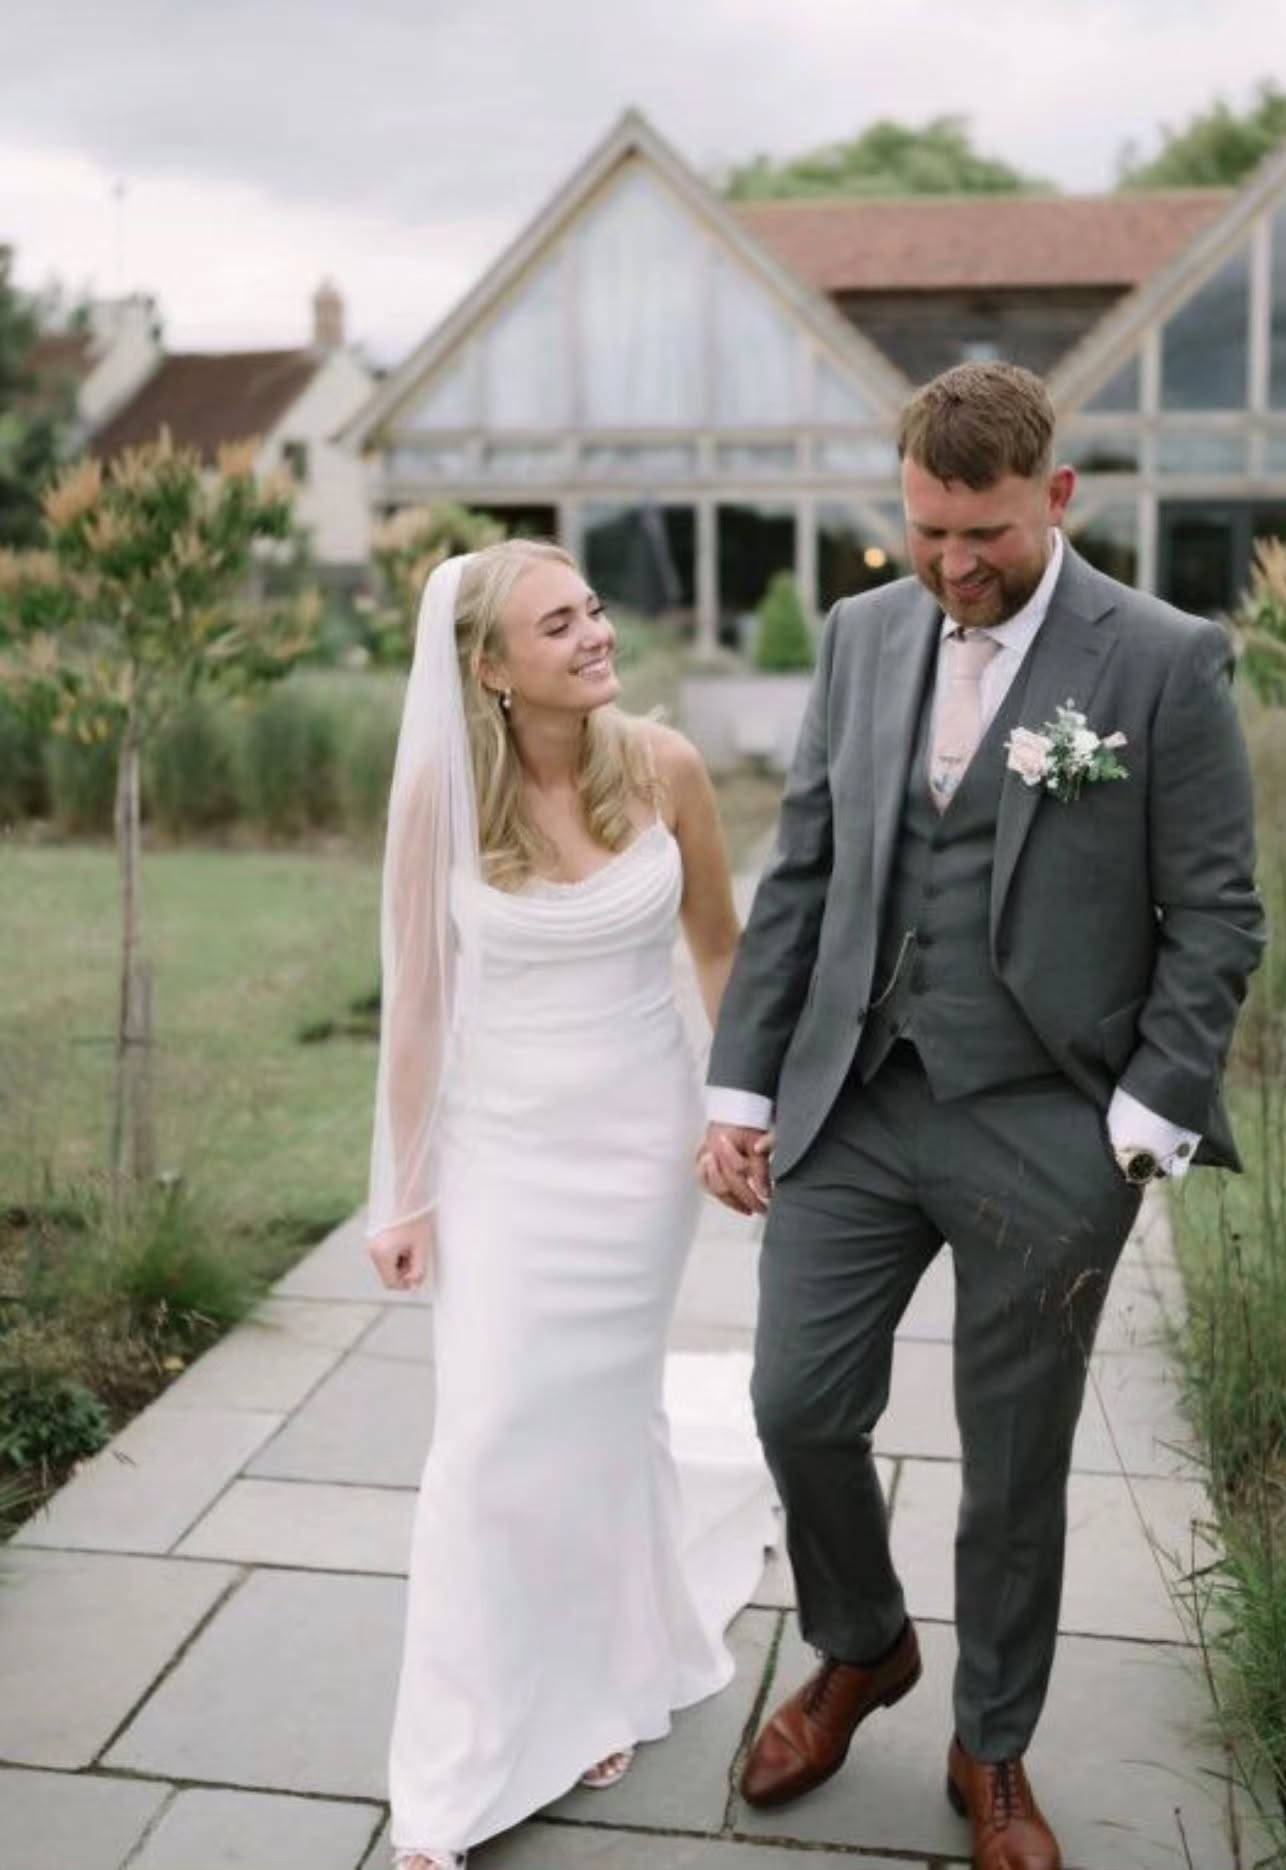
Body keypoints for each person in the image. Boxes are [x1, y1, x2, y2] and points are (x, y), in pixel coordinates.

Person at [699, 362, 1264, 1870]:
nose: (955, 566)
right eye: (929, 530)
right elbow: (803, 873)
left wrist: (1145, 1122)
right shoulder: (860, 634)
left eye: (987, 535)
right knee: (796, 1401)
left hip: (1048, 1125)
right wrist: (742, 1083)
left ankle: (992, 1743)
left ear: (1058, 497)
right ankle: (863, 1642)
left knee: (1015, 1466)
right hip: (860, 1099)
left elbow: (1216, 915)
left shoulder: (1162, 658)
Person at [365, 538, 773, 1870]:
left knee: (601, 1415)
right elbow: (418, 1005)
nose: (598, 634)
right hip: (503, 1153)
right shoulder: (441, 793)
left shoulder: (665, 767)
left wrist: (738, 1106)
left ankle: (604, 1672)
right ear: (487, 667)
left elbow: (719, 942)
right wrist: (404, 1189)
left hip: (639, 1149)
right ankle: (453, 1771)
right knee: (486, 1440)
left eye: (595, 609)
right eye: (560, 624)